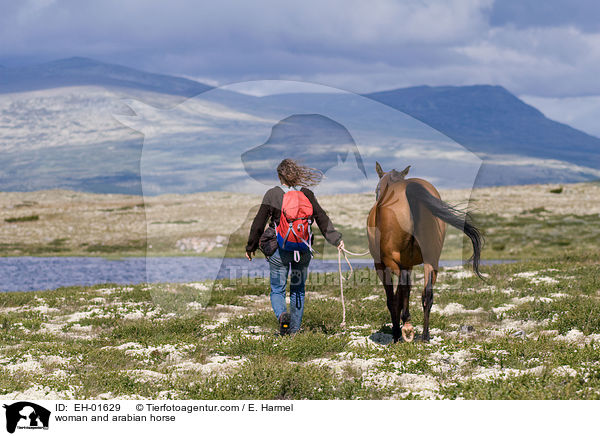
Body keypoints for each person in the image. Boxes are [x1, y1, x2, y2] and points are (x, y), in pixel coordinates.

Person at [245, 158, 344, 335]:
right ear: (297, 175)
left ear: (279, 176)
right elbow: (321, 218)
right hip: (303, 249)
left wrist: (250, 246)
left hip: (279, 249)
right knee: (298, 289)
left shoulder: (272, 194)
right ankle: (294, 330)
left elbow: (258, 222)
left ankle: (283, 316)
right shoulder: (307, 193)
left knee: (278, 289)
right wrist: (336, 239)